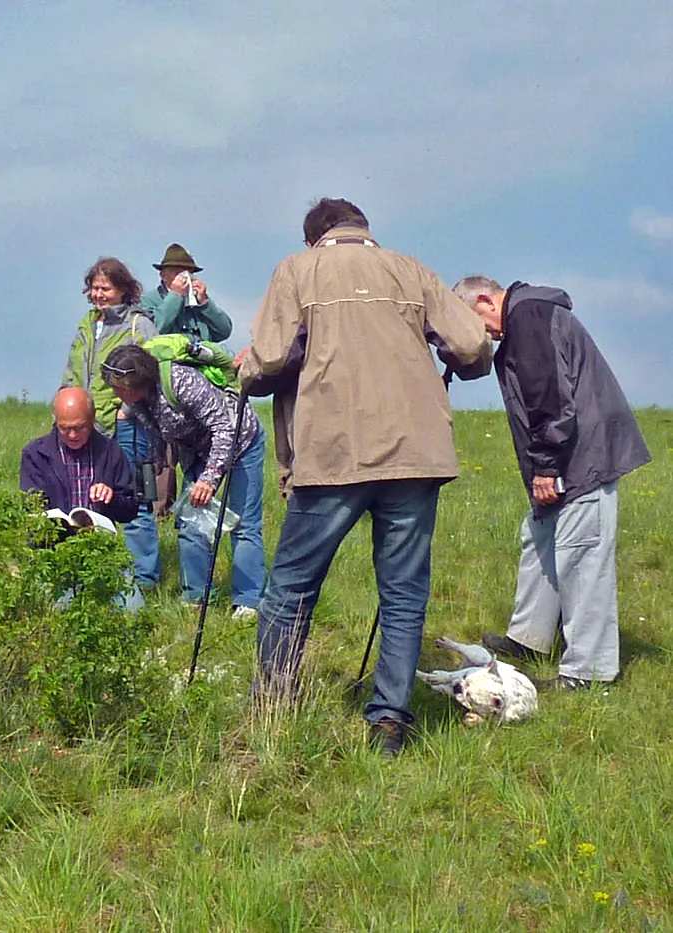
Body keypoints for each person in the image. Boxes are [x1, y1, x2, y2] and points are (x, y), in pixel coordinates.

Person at [237, 197, 492, 757]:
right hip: (416, 454)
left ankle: (272, 707)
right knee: (402, 594)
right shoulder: (411, 269)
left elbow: (272, 357)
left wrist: (246, 372)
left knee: (292, 589)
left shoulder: (297, 270)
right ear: (362, 231)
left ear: (315, 240)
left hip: (333, 454)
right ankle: (389, 723)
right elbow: (474, 344)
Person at [453, 276, 650, 690]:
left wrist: (546, 467)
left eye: (477, 322)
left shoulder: (528, 316)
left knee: (583, 557)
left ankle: (589, 672)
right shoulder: (531, 315)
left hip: (582, 457)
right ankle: (528, 640)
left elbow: (550, 398)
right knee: (540, 535)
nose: (482, 335)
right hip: (570, 454)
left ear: (487, 300)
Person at [103, 344, 267, 617]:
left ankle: (248, 602)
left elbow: (224, 428)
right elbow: (157, 432)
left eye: (117, 387)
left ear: (134, 383)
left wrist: (209, 479)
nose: (114, 392)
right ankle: (197, 597)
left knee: (243, 523)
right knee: (191, 524)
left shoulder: (182, 382)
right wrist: (157, 462)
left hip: (241, 440)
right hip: (198, 450)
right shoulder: (135, 404)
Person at [61, 256, 168, 588]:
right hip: (90, 427)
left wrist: (129, 411)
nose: (98, 294)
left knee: (135, 501)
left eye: (105, 288)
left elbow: (153, 374)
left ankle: (143, 580)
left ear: (123, 289)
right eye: (94, 288)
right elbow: (73, 370)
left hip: (128, 424)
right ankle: (96, 574)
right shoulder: (87, 325)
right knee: (90, 498)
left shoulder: (139, 324)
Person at [18, 387, 139, 526]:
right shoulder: (36, 455)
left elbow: (130, 510)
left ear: (92, 418)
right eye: (64, 428)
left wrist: (111, 498)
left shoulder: (111, 451)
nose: (72, 435)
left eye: (80, 427)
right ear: (56, 420)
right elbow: (31, 506)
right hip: (51, 543)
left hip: (97, 541)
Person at [139, 243, 233, 342]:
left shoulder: (197, 301)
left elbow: (224, 331)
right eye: (178, 273)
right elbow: (152, 331)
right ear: (163, 275)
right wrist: (175, 296)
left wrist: (205, 303)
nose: (185, 278)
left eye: (189, 273)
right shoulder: (147, 300)